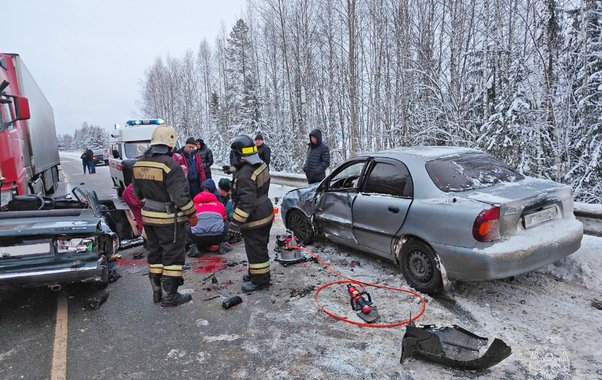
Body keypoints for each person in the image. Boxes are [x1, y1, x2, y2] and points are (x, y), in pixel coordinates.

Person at [132, 125, 197, 307]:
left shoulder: (139, 163)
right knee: (172, 256)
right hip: (168, 220)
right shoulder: (171, 165)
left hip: (148, 218)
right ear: (170, 143)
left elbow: (137, 194)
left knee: (155, 253)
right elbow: (180, 197)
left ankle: (157, 292)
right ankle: (171, 296)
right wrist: (192, 214)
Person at [226, 135, 273, 292]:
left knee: (255, 249)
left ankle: (260, 281)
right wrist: (234, 170)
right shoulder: (261, 165)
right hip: (265, 210)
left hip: (255, 218)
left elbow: (246, 203)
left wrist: (235, 223)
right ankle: (256, 273)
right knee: (260, 247)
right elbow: (250, 173)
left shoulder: (245, 175)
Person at [187, 185, 231, 257]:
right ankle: (221, 243)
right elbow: (225, 220)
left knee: (187, 224)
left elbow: (188, 221)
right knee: (226, 223)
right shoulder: (220, 205)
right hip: (218, 236)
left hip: (197, 237)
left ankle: (193, 245)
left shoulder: (192, 207)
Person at [122, 183, 146, 259]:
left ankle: (150, 242)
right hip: (133, 195)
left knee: (143, 219)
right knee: (145, 220)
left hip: (133, 193)